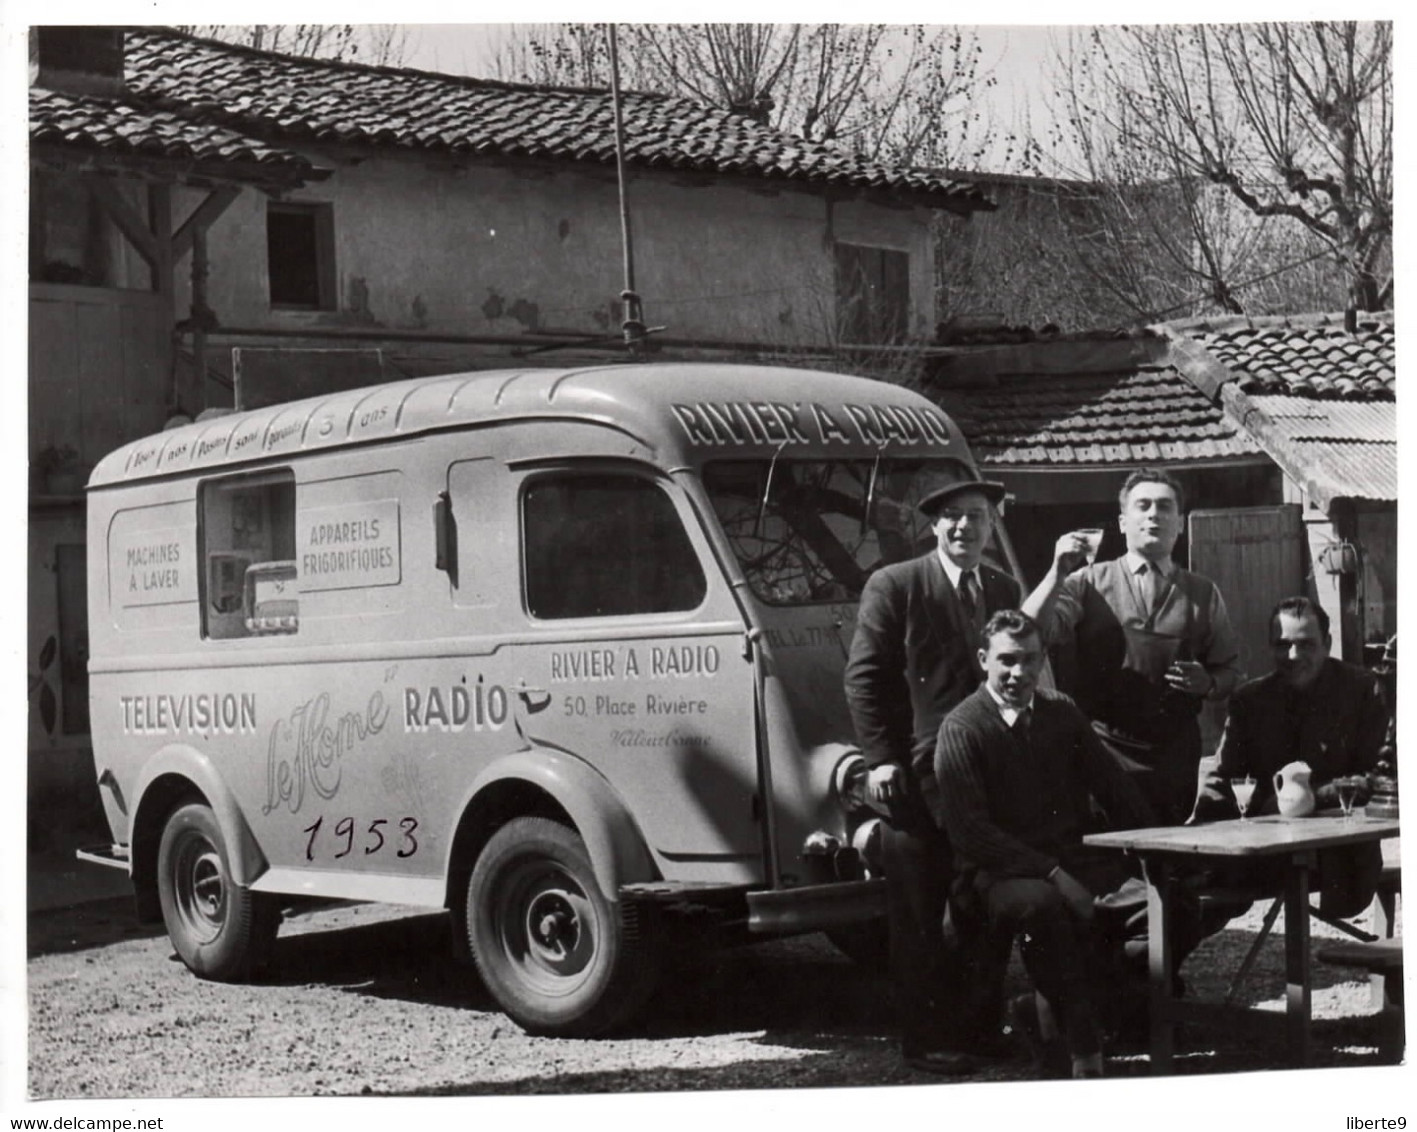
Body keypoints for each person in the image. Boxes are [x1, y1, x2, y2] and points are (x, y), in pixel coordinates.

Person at [844, 466, 1021, 1075]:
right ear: (934, 526)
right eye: (953, 516)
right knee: (919, 915)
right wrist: (881, 761)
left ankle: (978, 1031)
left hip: (987, 779)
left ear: (991, 526)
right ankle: (926, 1040)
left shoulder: (1000, 588)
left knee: (983, 906)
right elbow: (864, 679)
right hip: (916, 780)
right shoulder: (895, 585)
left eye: (978, 516)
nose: (966, 526)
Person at [935, 610, 1156, 1079]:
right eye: (1007, 661)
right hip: (997, 873)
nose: (1019, 673)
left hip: (1071, 860)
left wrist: (1158, 848)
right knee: (1044, 907)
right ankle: (1084, 1048)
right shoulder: (962, 728)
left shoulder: (1061, 711)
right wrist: (1053, 874)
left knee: (1167, 905)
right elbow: (971, 834)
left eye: (1030, 660)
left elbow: (1115, 788)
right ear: (983, 661)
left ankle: (1058, 1009)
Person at [1022, 467, 1241, 825]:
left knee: (1166, 860)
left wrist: (1210, 683)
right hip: (1102, 750)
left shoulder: (1203, 593)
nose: (1154, 514)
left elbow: (1230, 670)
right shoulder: (1087, 582)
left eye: (1165, 506)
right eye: (1143, 506)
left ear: (1180, 523)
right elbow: (1028, 630)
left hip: (1174, 759)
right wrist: (1056, 572)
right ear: (1123, 522)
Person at [1190, 596, 1387, 916]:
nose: (1293, 656)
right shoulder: (1250, 700)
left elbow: (1381, 774)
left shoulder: (1363, 691)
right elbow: (1228, 777)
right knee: (1182, 897)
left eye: (1306, 645)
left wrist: (1315, 797)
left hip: (1339, 853)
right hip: (1264, 848)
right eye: (1283, 645)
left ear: (1327, 644)